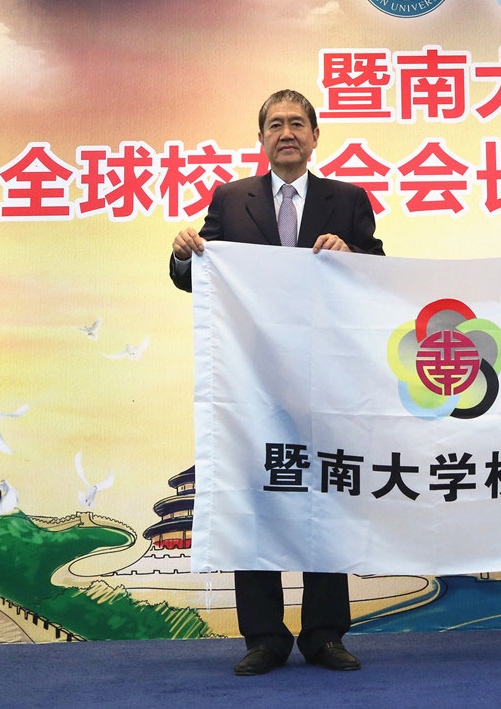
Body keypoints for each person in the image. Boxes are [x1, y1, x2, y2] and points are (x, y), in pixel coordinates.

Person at [170, 88, 384, 676]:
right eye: (275, 125)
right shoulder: (230, 199)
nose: (286, 133)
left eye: (296, 124)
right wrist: (185, 253)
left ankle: (324, 635)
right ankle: (263, 637)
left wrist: (350, 251)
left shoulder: (348, 198)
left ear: (315, 136)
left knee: (326, 496)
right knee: (255, 500)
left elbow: (377, 273)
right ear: (261, 137)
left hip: (327, 377)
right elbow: (197, 277)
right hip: (253, 381)